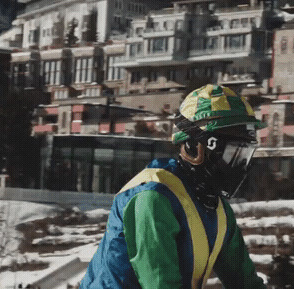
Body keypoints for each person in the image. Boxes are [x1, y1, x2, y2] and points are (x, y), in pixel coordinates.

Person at [80, 84, 266, 289]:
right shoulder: (152, 197)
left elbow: (246, 283)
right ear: (195, 146)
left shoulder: (217, 208)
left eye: (245, 154)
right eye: (233, 153)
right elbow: (161, 283)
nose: (240, 165)